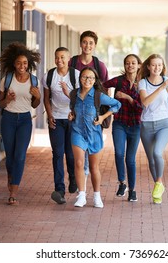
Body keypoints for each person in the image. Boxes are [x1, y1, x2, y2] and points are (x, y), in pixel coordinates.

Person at [68, 67, 121, 208]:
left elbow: (117, 104)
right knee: (79, 163)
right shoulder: (74, 94)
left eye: (91, 78)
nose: (87, 80)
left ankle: (97, 195)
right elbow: (72, 109)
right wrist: (71, 115)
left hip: (94, 134)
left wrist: (103, 116)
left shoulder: (98, 96)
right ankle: (81, 196)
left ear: (95, 80)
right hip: (77, 132)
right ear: (80, 79)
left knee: (93, 167)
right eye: (85, 77)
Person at [0, 42, 41, 205]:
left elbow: (34, 105)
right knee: (10, 156)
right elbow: (0, 104)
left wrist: (38, 97)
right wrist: (7, 99)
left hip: (24, 120)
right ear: (13, 64)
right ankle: (11, 176)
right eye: (18, 63)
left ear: (29, 64)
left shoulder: (34, 81)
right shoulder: (7, 79)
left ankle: (13, 192)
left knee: (20, 156)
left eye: (25, 63)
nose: (22, 66)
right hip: (8, 119)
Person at [69, 30, 109, 187]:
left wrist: (104, 114)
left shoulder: (100, 66)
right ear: (80, 44)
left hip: (93, 116)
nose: (87, 45)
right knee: (77, 152)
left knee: (90, 154)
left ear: (95, 46)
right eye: (85, 42)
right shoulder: (72, 62)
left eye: (91, 43)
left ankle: (82, 182)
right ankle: (78, 182)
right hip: (76, 113)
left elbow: (105, 91)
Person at [138, 54, 168, 204]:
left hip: (164, 123)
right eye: (154, 65)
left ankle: (159, 182)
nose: (157, 68)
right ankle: (158, 188)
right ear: (148, 67)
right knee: (151, 160)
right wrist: (161, 88)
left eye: (160, 65)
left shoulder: (167, 80)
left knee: (157, 153)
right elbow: (145, 102)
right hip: (147, 124)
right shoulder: (143, 83)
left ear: (163, 66)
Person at [103, 54, 143, 202]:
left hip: (136, 125)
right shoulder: (118, 81)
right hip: (119, 122)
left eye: (133, 63)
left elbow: (141, 108)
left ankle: (132, 190)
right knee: (119, 153)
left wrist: (128, 98)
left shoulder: (143, 84)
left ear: (139, 65)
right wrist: (108, 100)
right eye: (127, 63)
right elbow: (100, 85)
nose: (130, 65)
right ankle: (122, 183)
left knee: (131, 159)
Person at [43, 47, 80, 204]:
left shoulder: (76, 75)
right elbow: (46, 98)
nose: (59, 60)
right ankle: (59, 189)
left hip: (72, 119)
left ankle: (73, 178)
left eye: (63, 57)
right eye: (57, 57)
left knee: (71, 155)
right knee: (57, 154)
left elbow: (79, 98)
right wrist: (50, 115)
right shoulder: (49, 75)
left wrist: (68, 94)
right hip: (56, 119)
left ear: (69, 58)